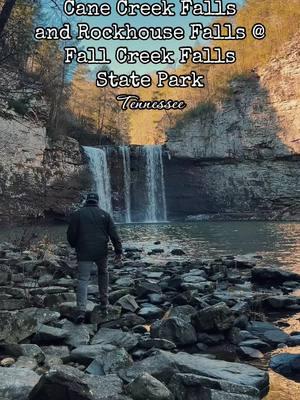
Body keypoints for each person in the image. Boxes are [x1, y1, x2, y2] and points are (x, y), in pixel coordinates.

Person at [67, 192, 122, 323]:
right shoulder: (105, 215)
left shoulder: (77, 214)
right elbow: (114, 235)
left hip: (84, 251)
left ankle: (81, 310)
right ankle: (104, 302)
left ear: (87, 201)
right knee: (103, 273)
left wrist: (75, 245)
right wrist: (118, 251)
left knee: (83, 279)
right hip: (101, 251)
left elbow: (70, 234)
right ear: (97, 202)